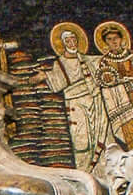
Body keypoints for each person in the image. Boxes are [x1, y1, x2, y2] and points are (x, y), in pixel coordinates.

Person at [45, 22, 109, 169]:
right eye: (68, 41)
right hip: (76, 104)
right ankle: (84, 169)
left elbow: (101, 62)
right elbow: (57, 82)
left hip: (95, 101)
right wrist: (45, 76)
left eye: (74, 40)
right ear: (63, 44)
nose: (72, 43)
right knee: (81, 139)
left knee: (101, 135)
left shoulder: (87, 59)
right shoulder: (60, 63)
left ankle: (102, 170)